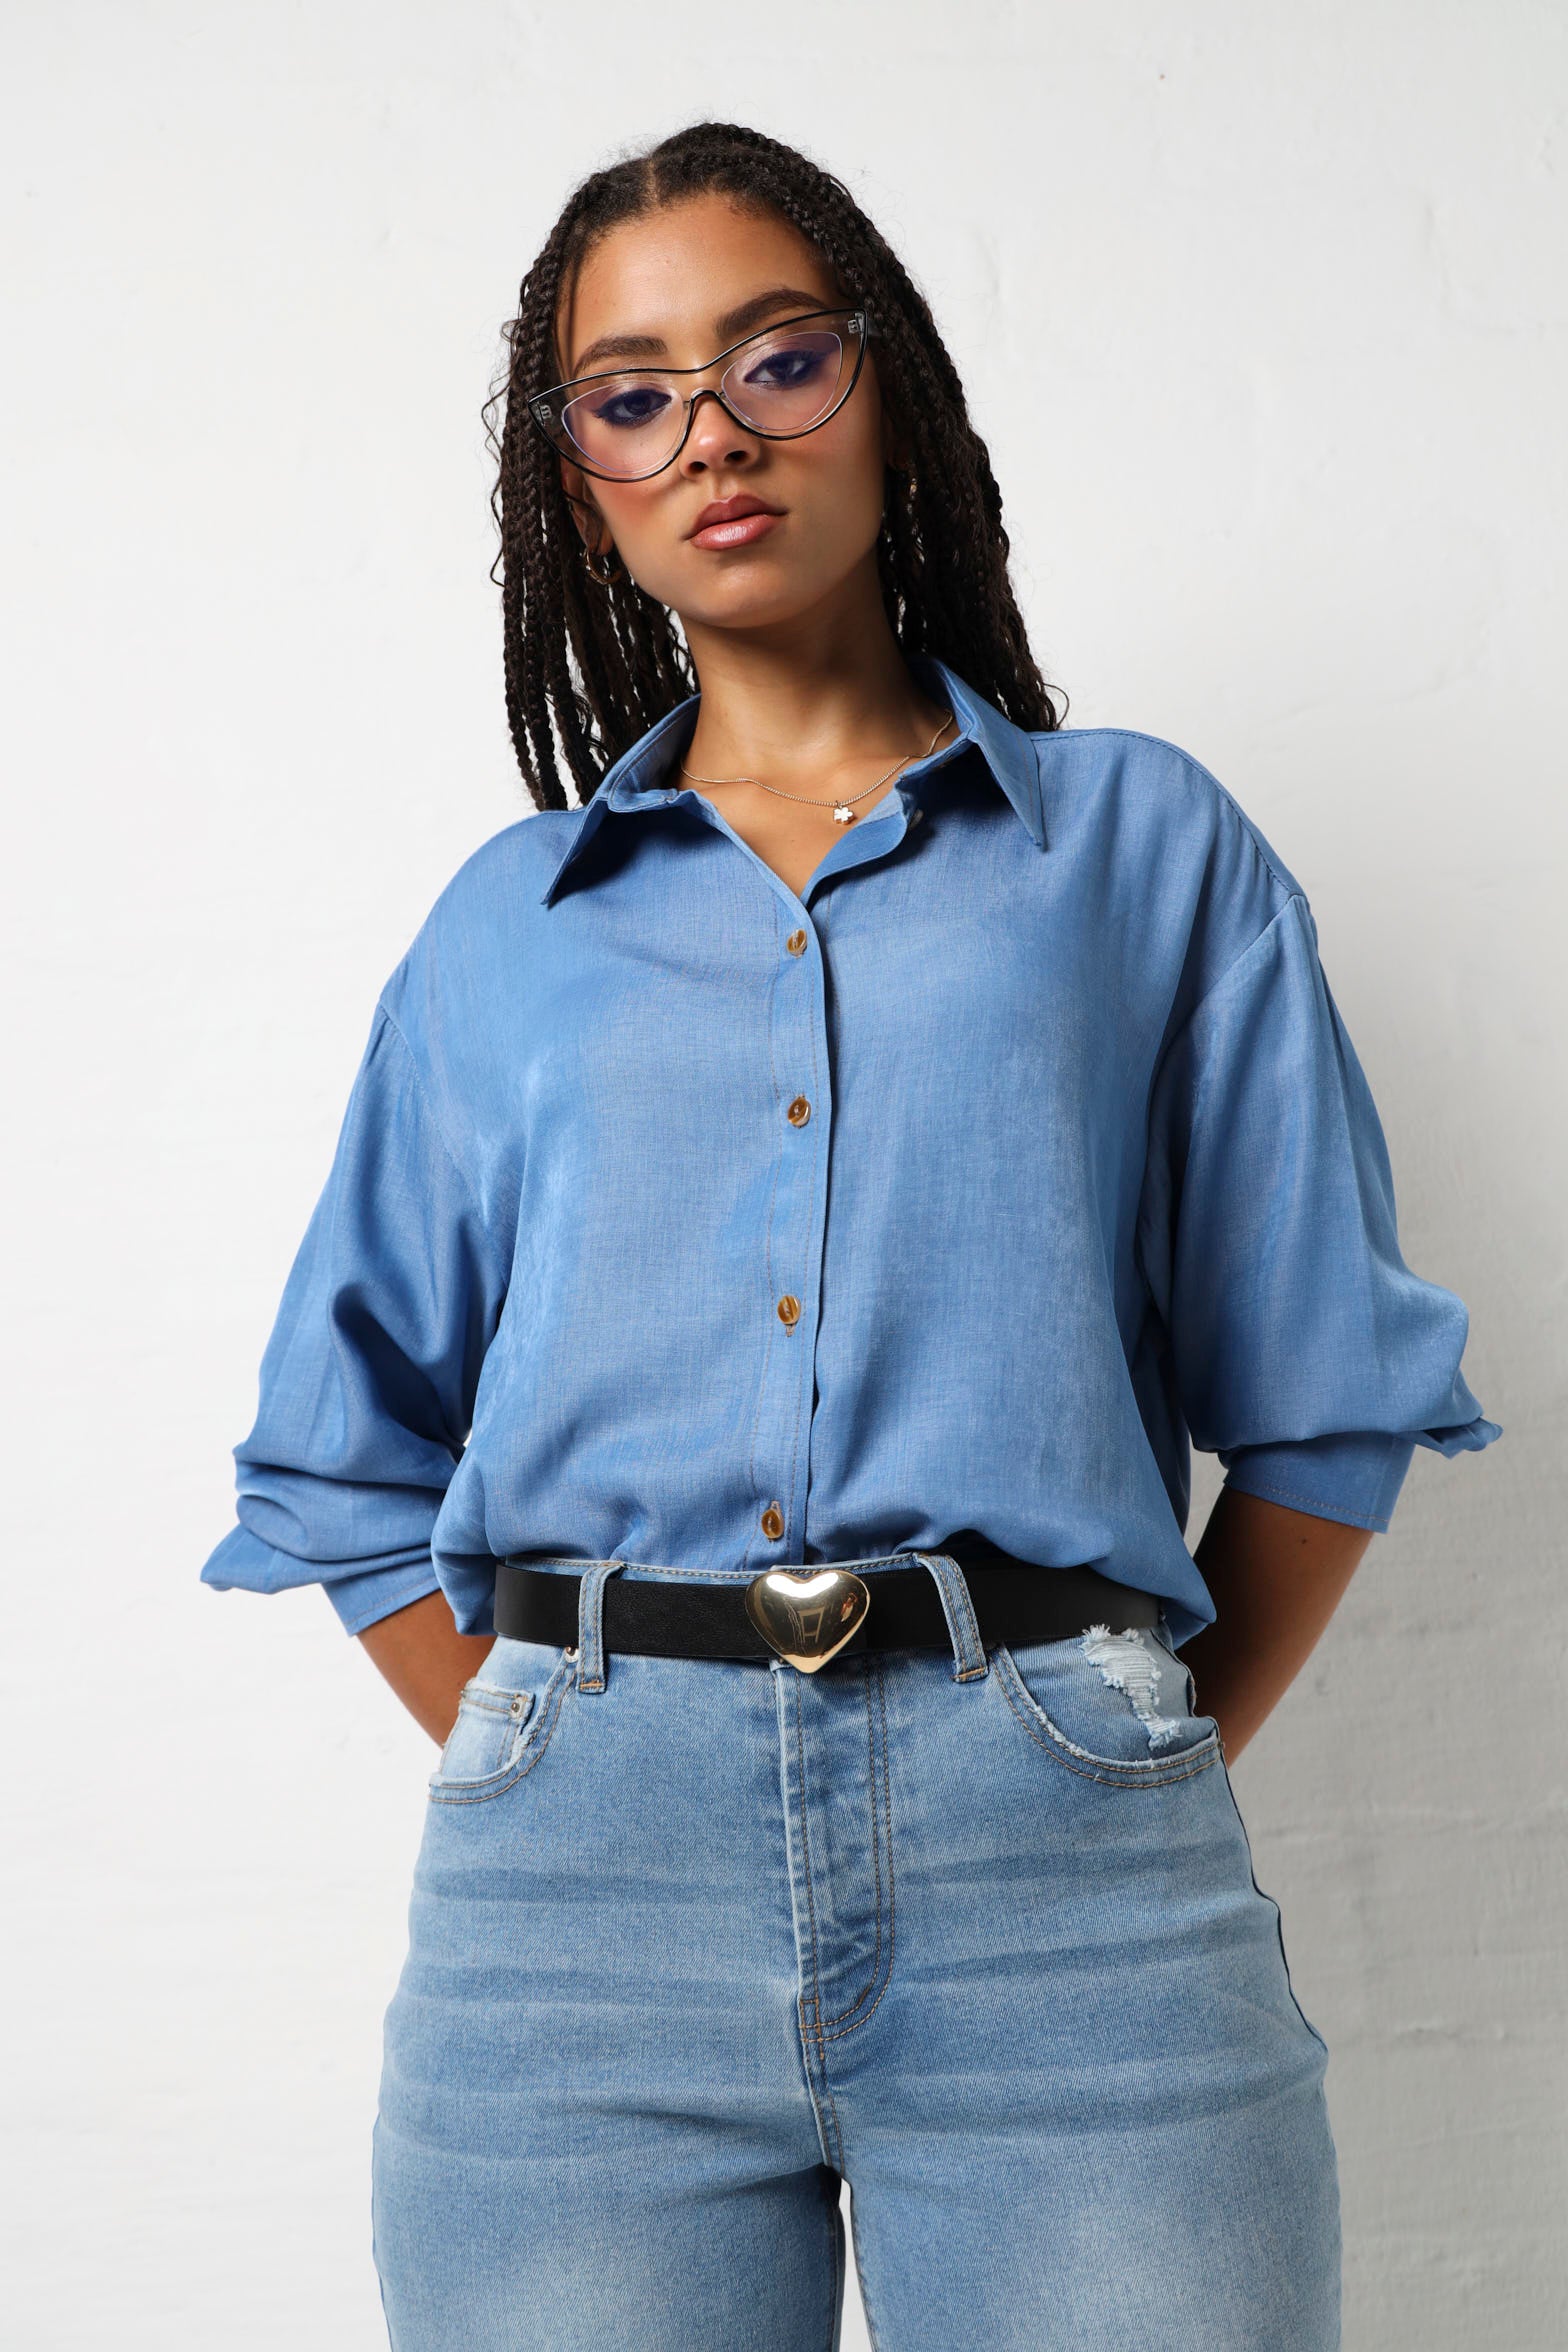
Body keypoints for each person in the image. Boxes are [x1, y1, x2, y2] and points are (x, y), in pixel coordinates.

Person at [200, 120, 1501, 2351]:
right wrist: (559, 1744)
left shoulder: (1141, 851)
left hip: (1070, 1886)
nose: (711, 433)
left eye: (776, 360)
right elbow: (337, 1461)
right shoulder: (505, 934)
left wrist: (1116, 1744)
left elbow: (1324, 1403)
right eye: (633, 396)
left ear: (887, 389)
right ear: (581, 487)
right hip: (576, 1936)